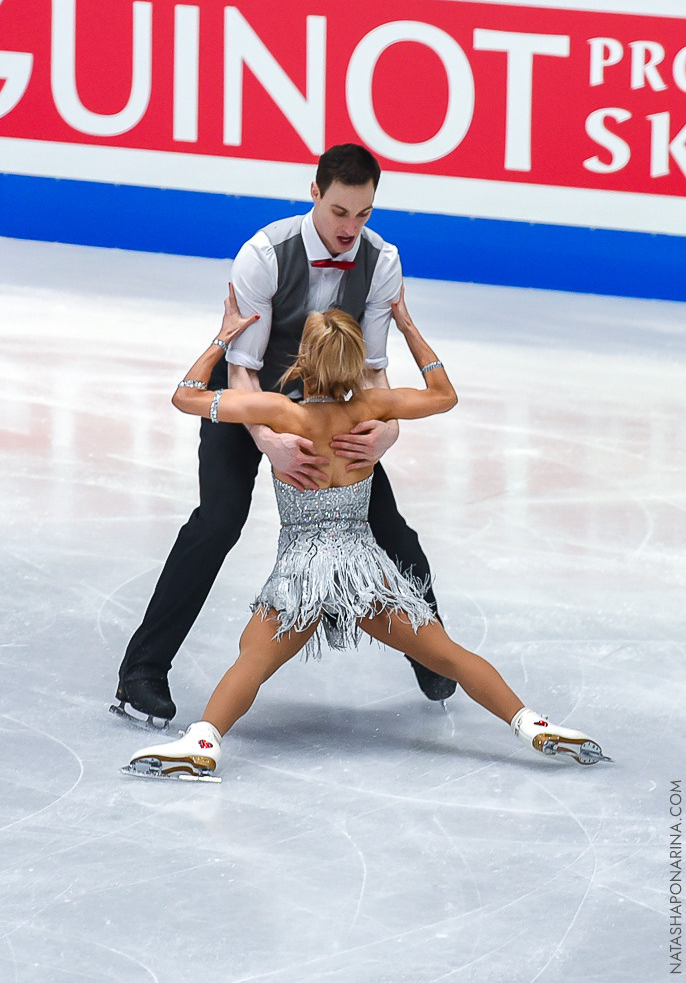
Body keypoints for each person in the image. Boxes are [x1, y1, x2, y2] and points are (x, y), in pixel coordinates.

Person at [124, 288, 611, 779]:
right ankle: (532, 723)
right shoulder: (373, 408)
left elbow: (185, 396)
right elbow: (445, 394)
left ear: (302, 360)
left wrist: (222, 339)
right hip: (365, 574)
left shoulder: (277, 412)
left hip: (303, 575)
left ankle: (204, 741)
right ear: (356, 361)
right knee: (450, 656)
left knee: (253, 655)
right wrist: (406, 325)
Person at [114, 143, 456, 726]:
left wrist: (385, 434)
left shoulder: (382, 260)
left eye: (364, 214)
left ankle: (433, 652)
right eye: (340, 212)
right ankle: (142, 672)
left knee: (390, 527)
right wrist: (267, 439)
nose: (351, 227)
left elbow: (373, 370)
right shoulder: (265, 254)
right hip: (253, 400)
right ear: (315, 193)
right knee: (217, 522)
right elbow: (244, 365)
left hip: (330, 406)